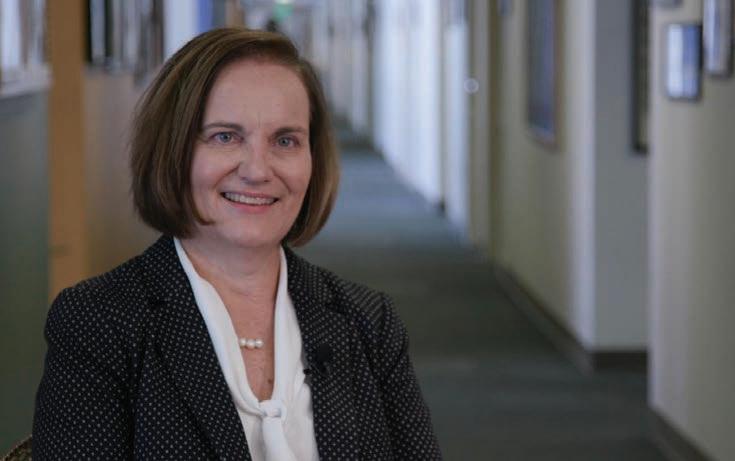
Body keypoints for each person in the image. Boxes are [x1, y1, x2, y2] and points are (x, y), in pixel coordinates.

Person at [32, 28, 441, 460]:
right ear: (172, 150)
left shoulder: (368, 321)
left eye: (285, 141)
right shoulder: (99, 323)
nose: (257, 170)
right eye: (225, 136)